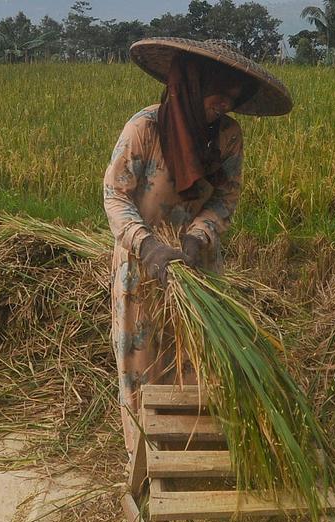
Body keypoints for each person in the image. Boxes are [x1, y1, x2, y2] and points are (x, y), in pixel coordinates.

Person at [104, 38, 292, 458]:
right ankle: (148, 465)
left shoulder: (227, 137)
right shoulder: (145, 128)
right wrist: (148, 246)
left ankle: (192, 455)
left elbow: (227, 196)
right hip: (143, 268)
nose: (224, 104)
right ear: (191, 85)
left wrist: (198, 235)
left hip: (197, 266)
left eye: (232, 97)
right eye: (217, 93)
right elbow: (115, 195)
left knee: (198, 359)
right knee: (142, 365)